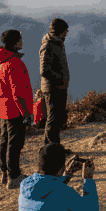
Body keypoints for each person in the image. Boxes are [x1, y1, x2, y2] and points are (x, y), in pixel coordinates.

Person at [0, 28, 33, 190]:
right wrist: (26, 113)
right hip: (15, 109)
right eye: (20, 39)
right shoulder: (14, 63)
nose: (22, 41)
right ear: (15, 42)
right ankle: (14, 176)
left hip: (3, 107)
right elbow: (18, 91)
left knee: (4, 141)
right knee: (15, 144)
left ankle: (4, 173)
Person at [39, 18, 70, 148]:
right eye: (65, 31)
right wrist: (60, 78)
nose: (67, 33)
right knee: (53, 118)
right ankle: (51, 148)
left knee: (58, 118)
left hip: (59, 87)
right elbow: (44, 70)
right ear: (59, 31)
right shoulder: (48, 45)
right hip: (52, 88)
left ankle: (54, 146)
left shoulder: (58, 43)